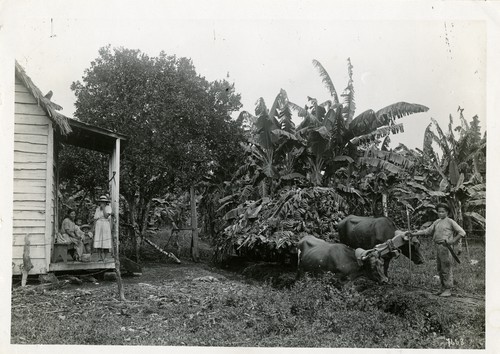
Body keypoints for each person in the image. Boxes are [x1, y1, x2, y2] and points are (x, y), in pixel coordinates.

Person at [407, 203, 466, 297]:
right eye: (439, 211)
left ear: (447, 212)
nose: (440, 213)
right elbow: (427, 231)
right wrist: (414, 234)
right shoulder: (437, 222)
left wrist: (452, 241)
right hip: (438, 246)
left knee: (446, 267)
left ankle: (448, 289)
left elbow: (462, 232)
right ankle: (442, 288)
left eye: (443, 212)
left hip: (446, 247)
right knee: (440, 268)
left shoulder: (450, 221)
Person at [93, 195, 113, 261]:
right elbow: (95, 218)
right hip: (99, 224)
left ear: (106, 202)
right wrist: (94, 227)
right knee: (98, 240)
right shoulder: (97, 209)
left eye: (103, 202)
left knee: (105, 240)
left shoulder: (108, 208)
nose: (102, 203)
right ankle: (99, 257)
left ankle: (105, 257)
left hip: (105, 224)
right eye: (101, 202)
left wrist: (104, 208)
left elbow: (106, 216)